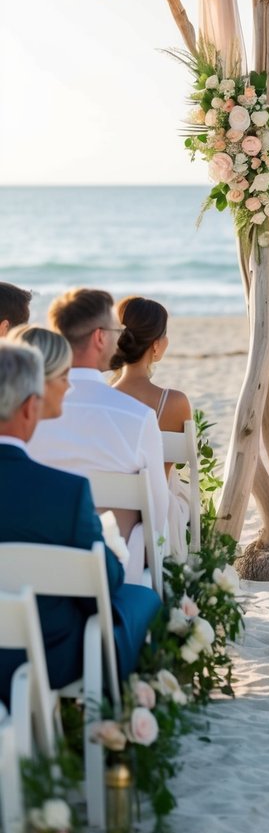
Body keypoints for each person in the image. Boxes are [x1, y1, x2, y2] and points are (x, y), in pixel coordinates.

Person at [0, 341, 160, 706]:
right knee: (141, 600)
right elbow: (103, 584)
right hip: (44, 657)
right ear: (28, 408)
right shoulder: (64, 493)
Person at [28, 288, 173, 582]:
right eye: (114, 329)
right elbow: (157, 518)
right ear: (99, 337)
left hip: (33, 572)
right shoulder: (137, 417)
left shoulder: (27, 414)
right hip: (111, 581)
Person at [111, 296, 192, 558]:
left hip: (112, 512)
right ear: (156, 345)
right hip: (159, 514)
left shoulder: (102, 402)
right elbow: (164, 475)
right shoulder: (175, 402)